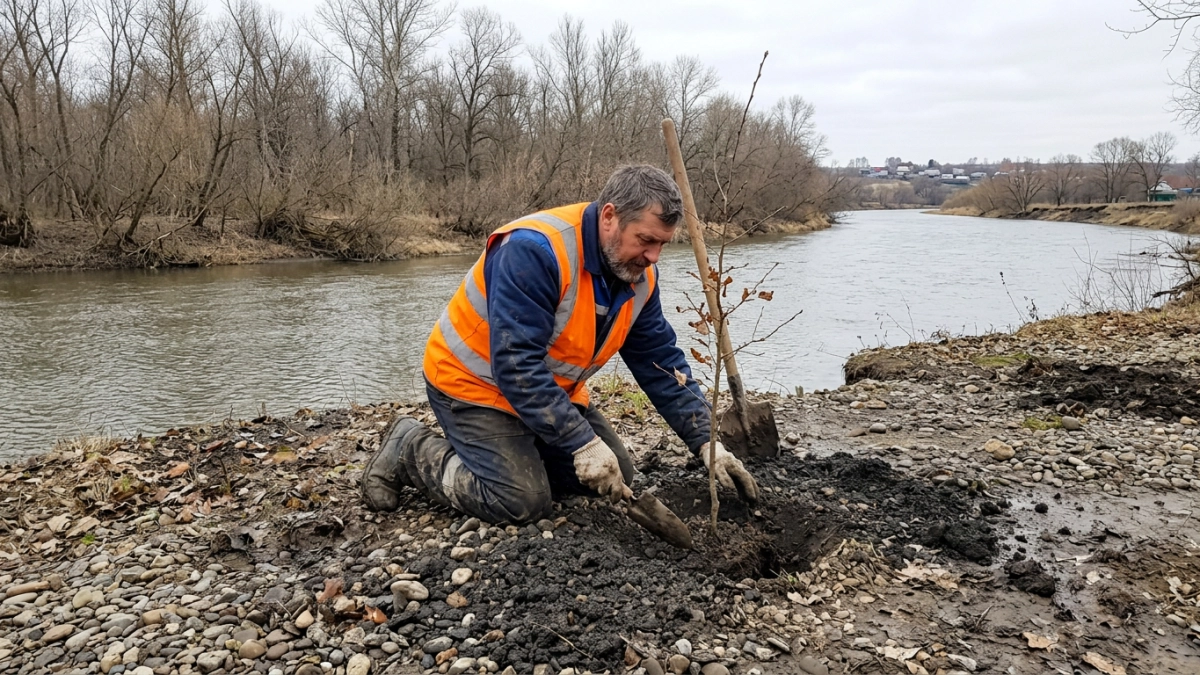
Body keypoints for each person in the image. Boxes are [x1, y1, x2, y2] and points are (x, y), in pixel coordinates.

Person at [361, 164, 758, 524]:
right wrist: (581, 442)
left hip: (547, 395)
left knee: (619, 470)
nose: (653, 257)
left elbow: (659, 362)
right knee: (521, 502)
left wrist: (707, 443)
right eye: (646, 240)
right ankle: (410, 448)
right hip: (472, 386)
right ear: (609, 217)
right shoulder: (533, 251)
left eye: (663, 245)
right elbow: (515, 365)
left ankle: (518, 453)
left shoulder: (638, 276)